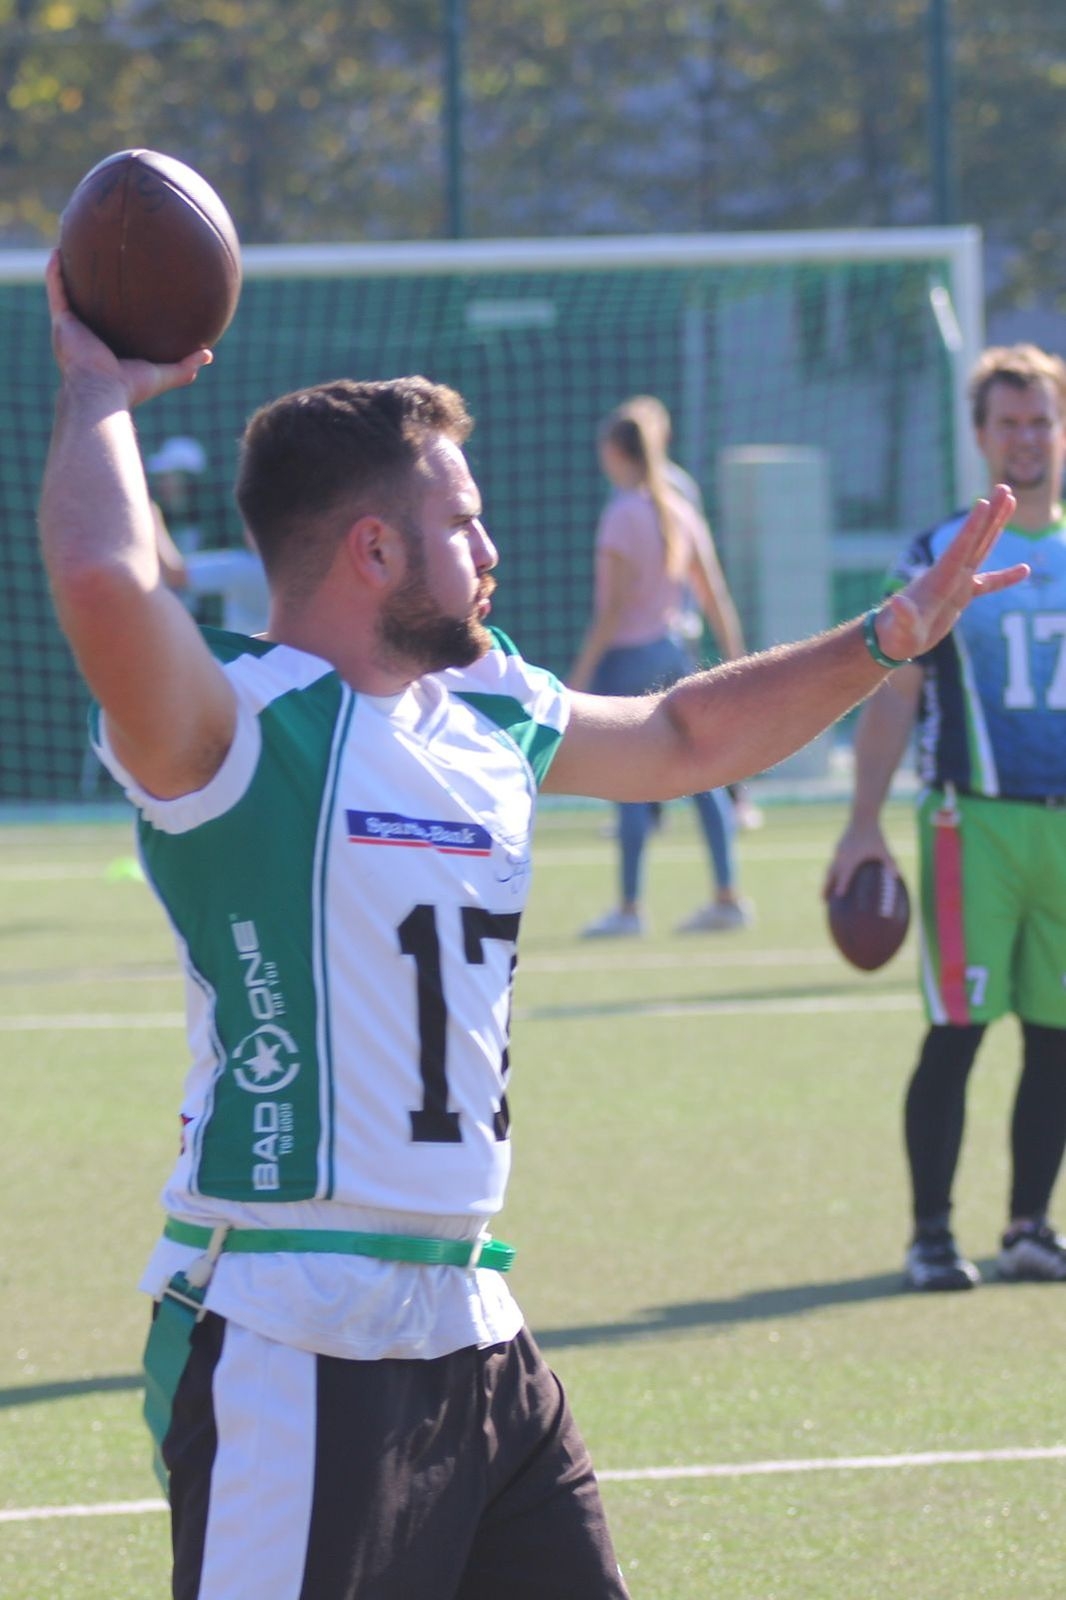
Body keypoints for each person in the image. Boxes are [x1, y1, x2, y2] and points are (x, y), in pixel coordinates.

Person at [39, 248, 1024, 1600]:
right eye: (464, 522)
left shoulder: (488, 708)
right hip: (293, 1318)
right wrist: (98, 390)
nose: (493, 551)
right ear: (373, 548)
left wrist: (886, 637)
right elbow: (107, 583)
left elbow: (683, 734)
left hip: (472, 1319)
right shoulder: (238, 729)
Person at [826, 342, 1066, 1294]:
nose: (1027, 437)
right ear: (980, 435)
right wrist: (863, 822)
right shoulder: (939, 553)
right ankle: (932, 1234)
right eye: (1009, 422)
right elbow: (896, 696)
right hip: (974, 824)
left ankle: (1029, 1227)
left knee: (1058, 1034)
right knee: (959, 1029)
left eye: (1042, 419)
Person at [569, 404, 753, 937]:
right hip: (674, 656)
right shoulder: (680, 510)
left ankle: (629, 909)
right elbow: (714, 595)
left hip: (628, 659)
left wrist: (580, 674)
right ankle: (727, 895)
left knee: (628, 781)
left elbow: (612, 610)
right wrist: (739, 663)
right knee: (704, 776)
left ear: (614, 452)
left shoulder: (622, 514)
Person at [619, 394, 764, 833]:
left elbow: (699, 569)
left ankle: (735, 797)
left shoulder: (676, 489)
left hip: (675, 631)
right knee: (647, 723)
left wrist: (731, 645)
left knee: (694, 728)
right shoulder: (625, 493)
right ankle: (649, 811)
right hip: (649, 633)